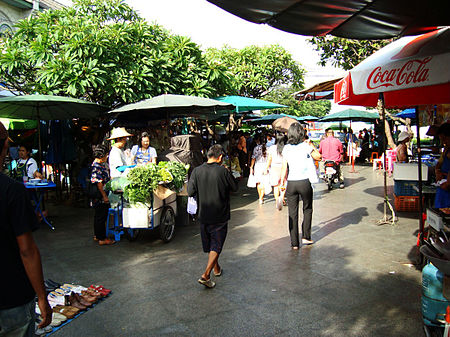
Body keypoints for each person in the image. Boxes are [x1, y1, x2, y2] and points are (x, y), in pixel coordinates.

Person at [0, 121, 52, 336]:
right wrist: (42, 296)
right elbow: (27, 250)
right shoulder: (13, 191)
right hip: (12, 297)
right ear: (5, 147)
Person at [188, 144, 238, 288]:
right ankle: (205, 275)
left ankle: (216, 268)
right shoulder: (223, 171)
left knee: (211, 245)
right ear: (220, 157)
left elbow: (190, 191)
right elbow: (234, 188)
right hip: (220, 215)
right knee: (216, 245)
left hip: (203, 214)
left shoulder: (196, 171)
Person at [281, 123, 322, 249]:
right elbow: (319, 157)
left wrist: (282, 183)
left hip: (291, 183)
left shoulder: (286, 148)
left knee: (292, 213)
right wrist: (311, 145)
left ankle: (294, 243)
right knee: (307, 209)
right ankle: (306, 237)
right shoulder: (305, 146)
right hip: (304, 182)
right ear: (301, 133)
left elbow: (284, 168)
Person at [90, 145, 115, 246]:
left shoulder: (97, 165)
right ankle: (102, 238)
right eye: (105, 155)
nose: (106, 157)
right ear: (101, 156)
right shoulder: (97, 167)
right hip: (100, 195)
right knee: (101, 216)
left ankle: (97, 235)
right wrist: (104, 196)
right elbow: (99, 183)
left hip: (99, 196)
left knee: (98, 216)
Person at [266, 133, 287, 210]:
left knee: (275, 185)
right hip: (283, 166)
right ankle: (282, 197)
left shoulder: (272, 148)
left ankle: (276, 200)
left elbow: (269, 159)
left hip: (274, 167)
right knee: (283, 183)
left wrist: (266, 168)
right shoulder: (285, 148)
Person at [434, 123, 450, 210]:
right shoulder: (446, 150)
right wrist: (437, 172)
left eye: (445, 139)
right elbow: (439, 164)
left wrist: (448, 183)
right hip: (443, 188)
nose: (443, 142)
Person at [250, 135, 269, 204]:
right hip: (265, 166)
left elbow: (253, 158)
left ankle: (260, 197)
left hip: (257, 165)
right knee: (264, 182)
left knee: (258, 182)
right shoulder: (268, 148)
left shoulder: (256, 148)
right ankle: (261, 197)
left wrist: (251, 167)